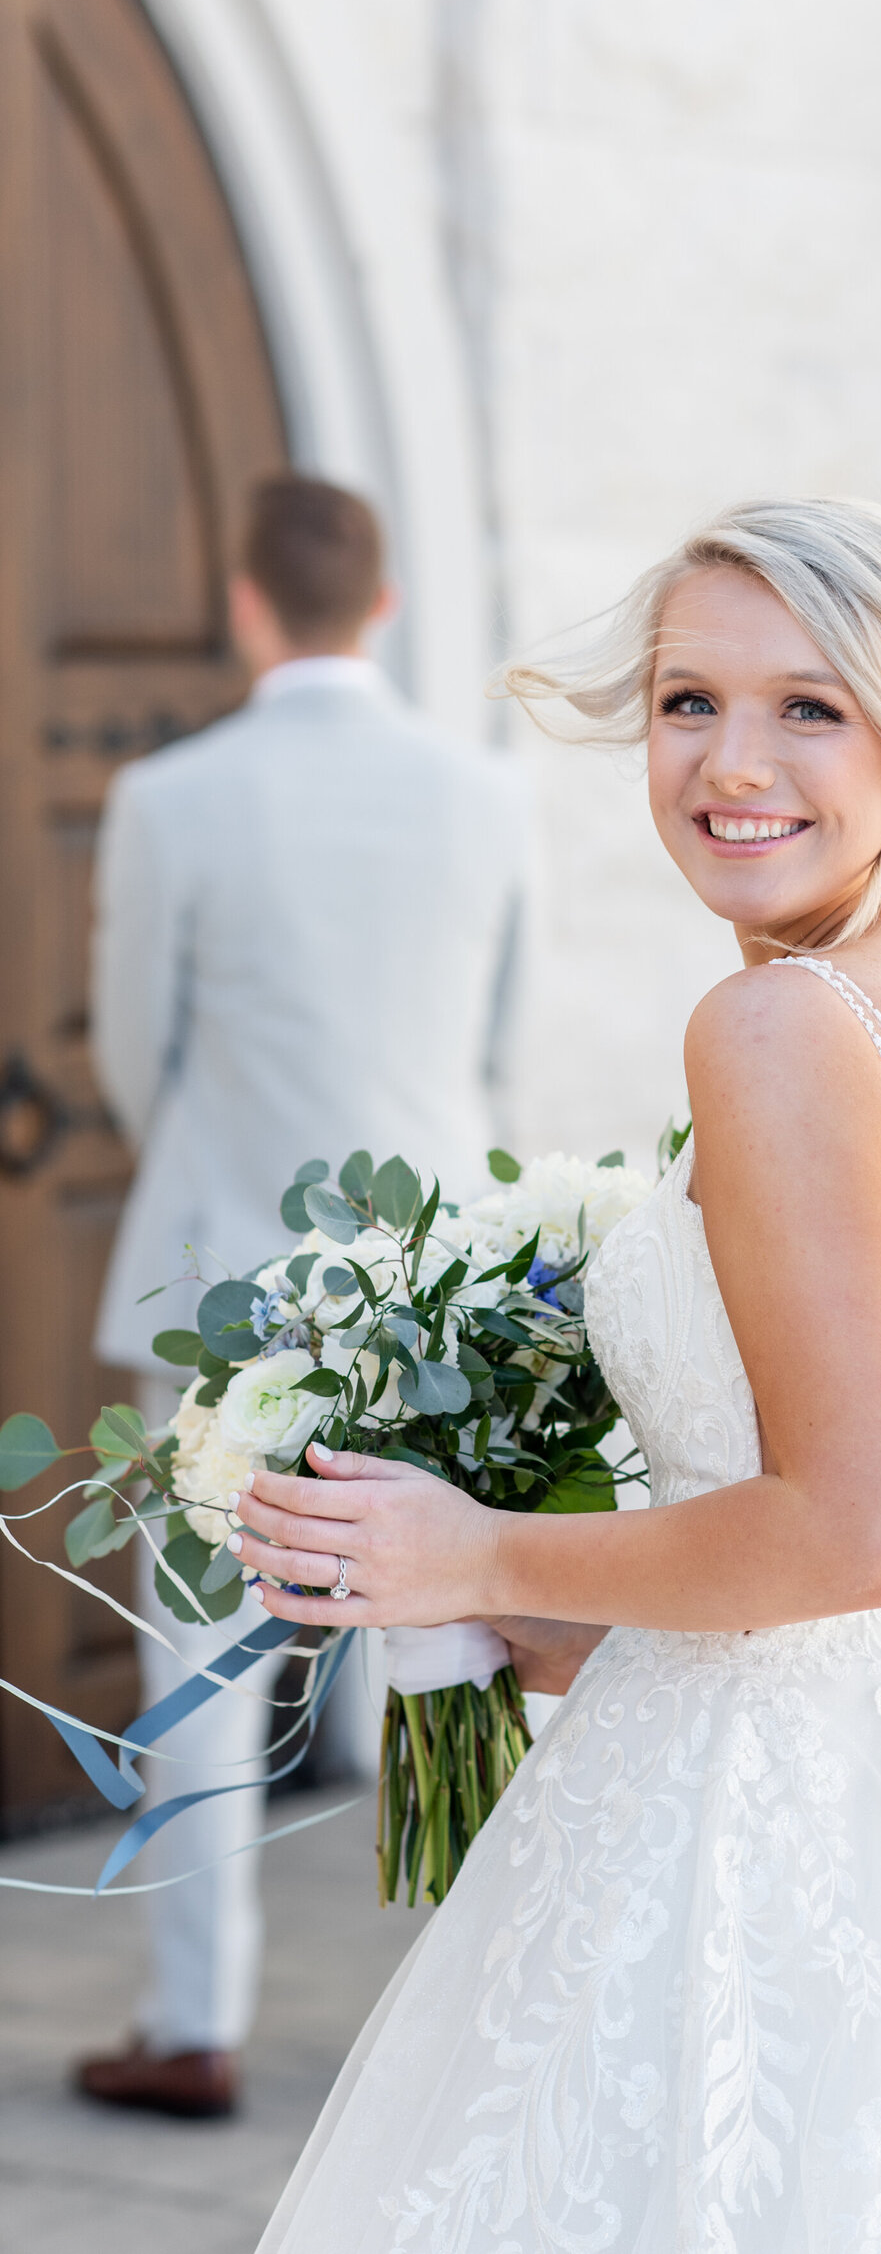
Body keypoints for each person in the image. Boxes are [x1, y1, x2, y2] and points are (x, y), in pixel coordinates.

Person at [243, 498, 881, 2248]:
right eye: (689, 701)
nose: (726, 762)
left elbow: (870, 1530)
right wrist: (585, 1630)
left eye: (809, 707)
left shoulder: (776, 1026)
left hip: (735, 1913)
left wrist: (477, 1550)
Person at [77, 475, 534, 2121]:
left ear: (246, 601)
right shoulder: (488, 798)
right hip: (429, 1280)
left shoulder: (173, 796)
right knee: (444, 1645)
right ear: (385, 603)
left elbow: (137, 1046)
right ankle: (479, 2024)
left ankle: (194, 2020)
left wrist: (203, 1177)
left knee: (199, 1665)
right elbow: (496, 1038)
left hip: (224, 1291)